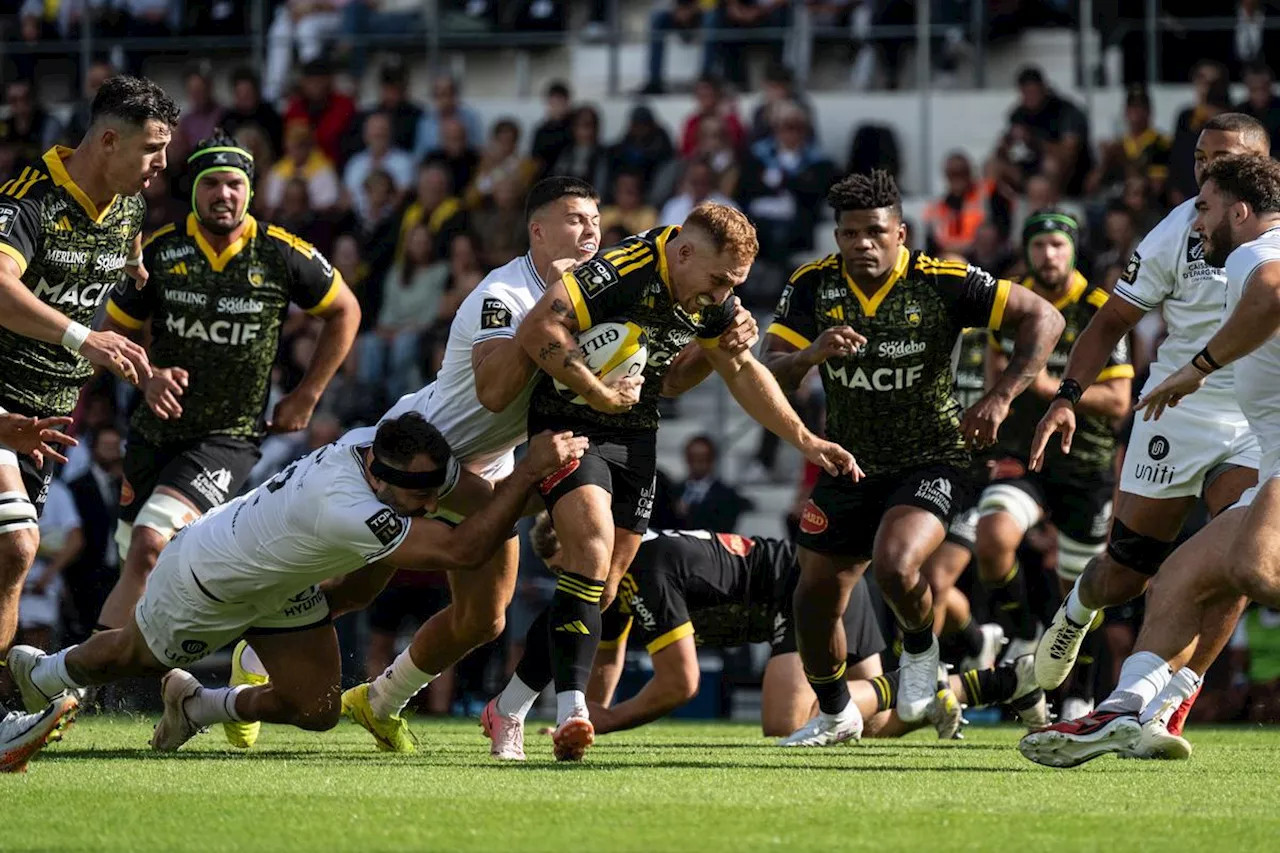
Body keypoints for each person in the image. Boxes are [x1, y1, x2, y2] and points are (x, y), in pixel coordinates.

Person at [483, 202, 856, 762]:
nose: (723, 292)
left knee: (604, 589)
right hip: (572, 424)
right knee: (587, 549)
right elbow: (539, 327)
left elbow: (737, 372)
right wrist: (596, 392)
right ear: (682, 253)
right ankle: (573, 710)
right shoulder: (621, 271)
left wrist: (807, 440)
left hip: (636, 436)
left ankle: (506, 708)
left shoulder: (711, 298)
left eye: (734, 284)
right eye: (718, 279)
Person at [5, 414, 589, 756]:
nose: (432, 505)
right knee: (130, 656)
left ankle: (198, 706)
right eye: (419, 499)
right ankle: (43, 671)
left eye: (434, 492)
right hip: (209, 577)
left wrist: (555, 492)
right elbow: (463, 547)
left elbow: (472, 503)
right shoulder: (345, 507)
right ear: (377, 478)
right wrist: (531, 471)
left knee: (317, 711)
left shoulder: (382, 448)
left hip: (278, 585)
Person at [761, 169, 1063, 746]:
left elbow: (1044, 318)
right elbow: (767, 372)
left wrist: (1001, 397)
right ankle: (835, 713)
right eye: (850, 234)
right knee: (814, 596)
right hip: (847, 462)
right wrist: (810, 355)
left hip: (933, 458)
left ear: (901, 232)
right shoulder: (812, 287)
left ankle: (922, 662)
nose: (862, 245)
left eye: (875, 232)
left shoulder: (940, 279)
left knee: (897, 564)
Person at [93, 131, 359, 741]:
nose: (224, 193)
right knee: (140, 572)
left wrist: (306, 394)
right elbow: (115, 338)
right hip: (153, 435)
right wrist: (150, 374)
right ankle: (180, 696)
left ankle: (67, 687)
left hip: (227, 438)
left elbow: (345, 309)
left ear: (250, 190)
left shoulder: (280, 252)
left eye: (236, 183)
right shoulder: (158, 252)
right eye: (212, 182)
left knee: (149, 548)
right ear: (192, 190)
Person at [1019, 153, 1280, 767]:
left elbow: (1269, 291)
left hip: (1248, 438)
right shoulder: (1185, 234)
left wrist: (1198, 368)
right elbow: (1115, 318)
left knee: (1253, 570)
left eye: (1209, 206)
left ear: (1240, 209)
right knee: (1168, 576)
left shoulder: (1249, 251)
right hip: (1192, 429)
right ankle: (1123, 708)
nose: (1198, 219)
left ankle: (1153, 704)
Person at [512, 517, 1048, 751]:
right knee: (876, 726)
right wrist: (579, 718)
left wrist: (606, 721)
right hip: (802, 593)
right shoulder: (618, 575)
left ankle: (920, 677)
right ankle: (1001, 683)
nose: (580, 580)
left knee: (787, 724)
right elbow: (605, 659)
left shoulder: (647, 568)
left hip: (801, 595)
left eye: (581, 564)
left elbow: (680, 684)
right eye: (568, 575)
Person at [0, 74, 178, 771]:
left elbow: (124, 265)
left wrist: (136, 286)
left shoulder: (126, 208)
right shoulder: (29, 203)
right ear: (107, 140)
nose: (162, 163)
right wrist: (85, 338)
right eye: (152, 148)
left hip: (44, 424)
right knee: (16, 546)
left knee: (8, 558)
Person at [973, 210, 1133, 719]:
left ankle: (1080, 692)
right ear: (1026, 251)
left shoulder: (1098, 307)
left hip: (1084, 464)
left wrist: (1055, 392)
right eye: (1039, 244)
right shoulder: (1014, 300)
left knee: (1079, 591)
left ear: (1072, 250)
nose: (1049, 254)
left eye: (1057, 245)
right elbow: (997, 373)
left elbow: (1118, 401)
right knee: (993, 537)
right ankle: (1020, 631)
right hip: (1024, 457)